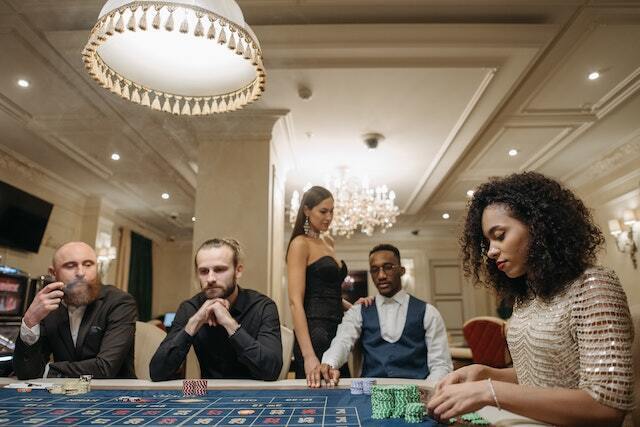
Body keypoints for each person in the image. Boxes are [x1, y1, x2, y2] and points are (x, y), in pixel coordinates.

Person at [428, 172, 635, 426]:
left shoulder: (593, 286)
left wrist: (489, 391)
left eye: (500, 235)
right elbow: (544, 377)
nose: (491, 251)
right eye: (487, 241)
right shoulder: (526, 297)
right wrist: (486, 374)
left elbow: (607, 406)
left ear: (539, 227)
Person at [309, 244, 453, 387]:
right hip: (371, 394)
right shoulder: (359, 310)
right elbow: (342, 341)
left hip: (416, 393)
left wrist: (427, 391)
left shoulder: (428, 312)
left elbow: (441, 365)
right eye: (375, 270)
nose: (381, 275)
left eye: (388, 267)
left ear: (402, 270)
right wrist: (328, 363)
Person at [150, 238, 282, 381]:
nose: (210, 278)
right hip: (209, 393)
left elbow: (271, 371)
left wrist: (230, 324)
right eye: (204, 271)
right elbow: (157, 372)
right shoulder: (190, 309)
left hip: (257, 394)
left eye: (219, 270)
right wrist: (194, 322)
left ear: (238, 271)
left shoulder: (262, 307)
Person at [14, 241, 137, 379]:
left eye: (88, 264)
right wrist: (30, 321)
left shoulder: (119, 302)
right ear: (53, 273)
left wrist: (48, 370)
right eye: (70, 266)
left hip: (114, 394)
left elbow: (105, 368)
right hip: (63, 393)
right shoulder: (48, 306)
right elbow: (26, 372)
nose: (80, 273)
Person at [287, 186, 352, 384]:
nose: (329, 216)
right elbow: (295, 302)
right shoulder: (300, 244)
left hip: (338, 330)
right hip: (315, 332)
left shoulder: (329, 242)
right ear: (307, 211)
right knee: (317, 399)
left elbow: (328, 292)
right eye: (323, 211)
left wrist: (356, 308)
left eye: (332, 211)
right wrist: (308, 356)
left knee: (342, 393)